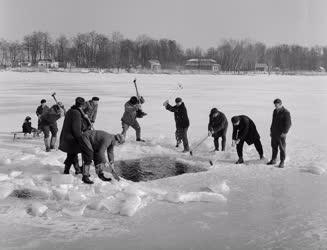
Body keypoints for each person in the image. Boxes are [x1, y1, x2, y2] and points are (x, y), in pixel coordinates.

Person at [59, 97, 91, 175]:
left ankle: (76, 169)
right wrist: (80, 139)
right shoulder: (76, 113)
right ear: (82, 105)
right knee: (72, 154)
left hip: (67, 136)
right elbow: (76, 128)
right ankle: (67, 171)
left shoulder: (71, 111)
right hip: (72, 138)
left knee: (72, 154)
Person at [267, 98, 292, 168]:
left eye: (277, 105)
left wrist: (285, 132)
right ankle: (273, 160)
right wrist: (271, 131)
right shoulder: (275, 111)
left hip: (281, 134)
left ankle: (282, 162)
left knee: (282, 148)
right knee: (274, 147)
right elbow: (273, 122)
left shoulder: (286, 112)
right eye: (275, 105)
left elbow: (288, 123)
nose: (275, 106)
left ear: (280, 104)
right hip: (274, 133)